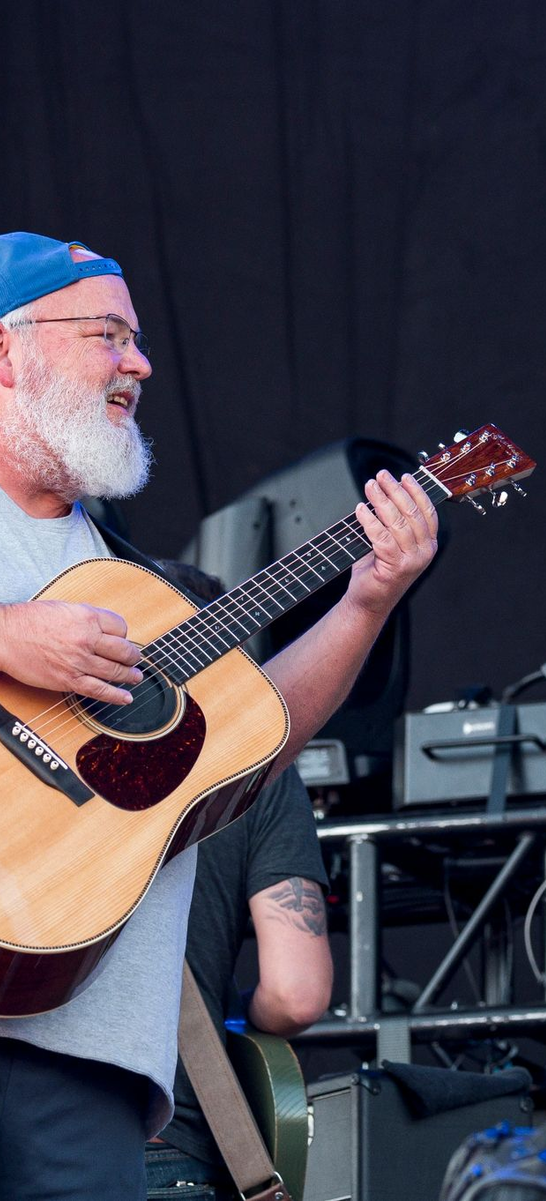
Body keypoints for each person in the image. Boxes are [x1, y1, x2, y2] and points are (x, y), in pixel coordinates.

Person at [0, 232, 438, 1199]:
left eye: (140, 341)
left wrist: (365, 601)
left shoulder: (142, 588)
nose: (140, 364)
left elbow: (257, 733)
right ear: (6, 353)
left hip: (86, 1052)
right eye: (109, 335)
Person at [142, 561, 333, 1201]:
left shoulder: (31, 768)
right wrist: (228, 1015)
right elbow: (296, 994)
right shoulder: (261, 774)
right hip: (168, 1144)